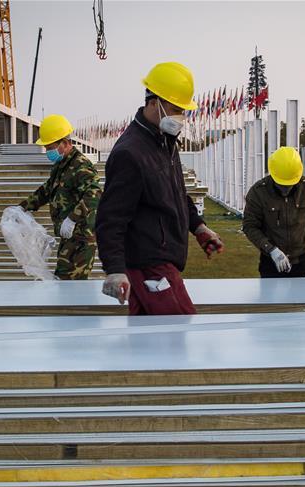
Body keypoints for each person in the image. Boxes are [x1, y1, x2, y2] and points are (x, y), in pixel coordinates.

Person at [95, 62, 224, 315]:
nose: (181, 118)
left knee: (150, 343)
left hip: (160, 261)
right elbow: (110, 218)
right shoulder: (130, 153)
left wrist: (198, 227)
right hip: (150, 265)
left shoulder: (164, 143)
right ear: (154, 102)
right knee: (179, 329)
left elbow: (175, 192)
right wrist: (114, 270)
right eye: (176, 110)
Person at [17, 114, 101, 280]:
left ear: (66, 143)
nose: (48, 152)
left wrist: (71, 219)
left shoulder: (80, 165)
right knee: (65, 283)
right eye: (47, 148)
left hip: (81, 238)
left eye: (51, 147)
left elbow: (94, 194)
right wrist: (23, 207)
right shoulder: (61, 166)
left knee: (69, 284)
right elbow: (47, 190)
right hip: (69, 237)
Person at [241, 146, 305, 283]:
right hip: (272, 262)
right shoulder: (258, 193)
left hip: (303, 259)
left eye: (289, 185)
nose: (286, 189)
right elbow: (250, 226)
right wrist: (272, 250)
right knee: (274, 304)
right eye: (282, 185)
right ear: (273, 175)